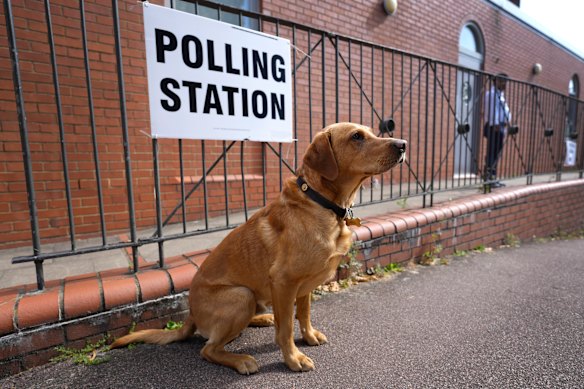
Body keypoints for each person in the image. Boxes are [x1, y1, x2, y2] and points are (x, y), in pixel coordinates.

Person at [483, 73, 511, 188]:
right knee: (492, 153)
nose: (505, 84)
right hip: (494, 127)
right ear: (497, 81)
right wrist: (496, 124)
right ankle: (489, 178)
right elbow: (490, 110)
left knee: (496, 154)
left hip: (500, 128)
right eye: (503, 81)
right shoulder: (492, 94)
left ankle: (492, 177)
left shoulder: (500, 95)